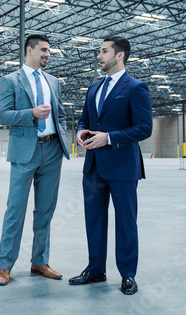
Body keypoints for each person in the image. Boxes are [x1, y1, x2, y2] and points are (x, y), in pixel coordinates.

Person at [69, 36, 152, 294]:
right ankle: (96, 269)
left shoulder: (135, 87)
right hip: (93, 166)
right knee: (93, 220)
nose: (99, 56)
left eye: (104, 51)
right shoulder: (93, 88)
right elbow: (84, 119)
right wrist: (81, 131)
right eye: (99, 51)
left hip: (123, 166)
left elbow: (144, 128)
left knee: (126, 222)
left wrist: (110, 138)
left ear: (120, 55)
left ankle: (127, 274)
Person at [0, 34, 70, 286]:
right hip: (25, 152)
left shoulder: (53, 81)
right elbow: (3, 116)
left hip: (51, 151)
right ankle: (4, 265)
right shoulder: (10, 80)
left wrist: (63, 140)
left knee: (45, 210)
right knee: (15, 209)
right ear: (30, 50)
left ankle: (39, 261)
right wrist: (31, 114)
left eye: (49, 51)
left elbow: (60, 114)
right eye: (44, 50)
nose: (48, 54)